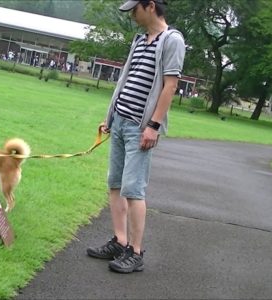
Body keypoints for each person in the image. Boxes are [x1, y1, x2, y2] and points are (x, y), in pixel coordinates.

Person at [87, 0, 185, 274]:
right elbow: (126, 79)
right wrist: (110, 118)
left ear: (150, 6)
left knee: (133, 188)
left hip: (140, 127)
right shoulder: (140, 40)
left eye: (134, 9)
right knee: (115, 183)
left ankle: (136, 252)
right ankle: (120, 241)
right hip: (119, 121)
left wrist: (153, 126)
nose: (131, 14)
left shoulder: (172, 40)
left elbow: (170, 86)